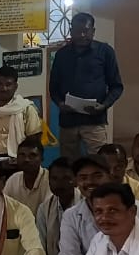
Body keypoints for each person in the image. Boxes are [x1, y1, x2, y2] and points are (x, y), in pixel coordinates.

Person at [50, 13, 123, 160]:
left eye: (86, 31)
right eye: (78, 31)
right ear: (71, 31)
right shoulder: (62, 55)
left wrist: (104, 105)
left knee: (99, 162)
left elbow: (116, 86)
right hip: (68, 121)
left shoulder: (105, 52)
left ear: (93, 31)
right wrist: (60, 104)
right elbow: (53, 87)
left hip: (94, 121)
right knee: (69, 163)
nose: (82, 35)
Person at [34, 157, 79, 255]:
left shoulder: (86, 205)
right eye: (54, 179)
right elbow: (40, 246)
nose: (60, 184)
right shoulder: (44, 209)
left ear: (76, 180)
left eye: (66, 178)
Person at [2, 137, 49, 214]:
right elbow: (4, 207)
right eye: (22, 155)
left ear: (42, 158)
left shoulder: (49, 180)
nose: (26, 159)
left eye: (32, 155)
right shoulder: (13, 179)